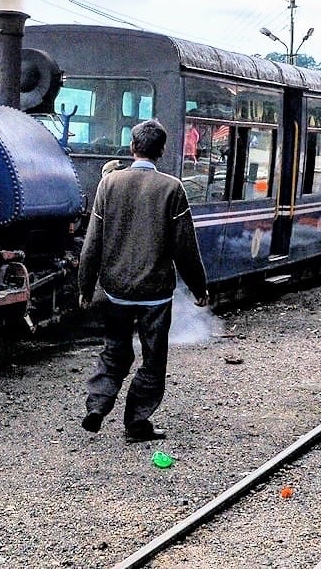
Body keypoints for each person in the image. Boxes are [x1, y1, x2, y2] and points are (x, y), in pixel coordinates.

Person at [77, 119, 210, 443]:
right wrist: (198, 287)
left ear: (132, 147)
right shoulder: (171, 188)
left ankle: (98, 404)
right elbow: (185, 245)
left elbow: (92, 242)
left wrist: (85, 286)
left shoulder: (109, 184)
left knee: (114, 352)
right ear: (161, 150)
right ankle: (137, 423)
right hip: (155, 293)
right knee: (153, 359)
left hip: (117, 290)